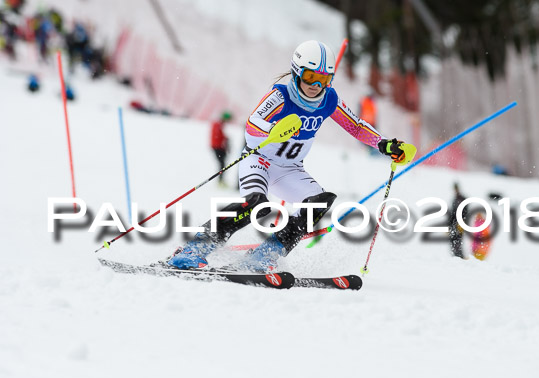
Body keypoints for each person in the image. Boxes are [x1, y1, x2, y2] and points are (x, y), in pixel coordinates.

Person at [167, 40, 417, 272]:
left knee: (319, 202)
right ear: (297, 72)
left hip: (290, 169)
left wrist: (384, 144)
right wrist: (274, 131)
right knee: (256, 204)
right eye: (310, 77)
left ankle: (266, 254)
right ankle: (195, 247)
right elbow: (252, 124)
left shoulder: (328, 99)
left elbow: (356, 125)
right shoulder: (281, 94)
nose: (316, 85)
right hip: (260, 162)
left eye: (323, 79)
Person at [210, 111, 231, 186]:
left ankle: (221, 180)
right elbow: (217, 136)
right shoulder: (218, 124)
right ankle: (220, 181)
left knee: (222, 164)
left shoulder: (219, 124)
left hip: (218, 147)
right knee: (222, 164)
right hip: (218, 147)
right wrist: (225, 139)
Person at [448, 182, 468, 259]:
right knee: (452, 241)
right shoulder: (455, 199)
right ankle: (456, 257)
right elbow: (452, 214)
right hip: (453, 224)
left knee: (458, 241)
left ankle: (461, 258)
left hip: (460, 223)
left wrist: (463, 222)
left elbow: (465, 212)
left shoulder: (462, 198)